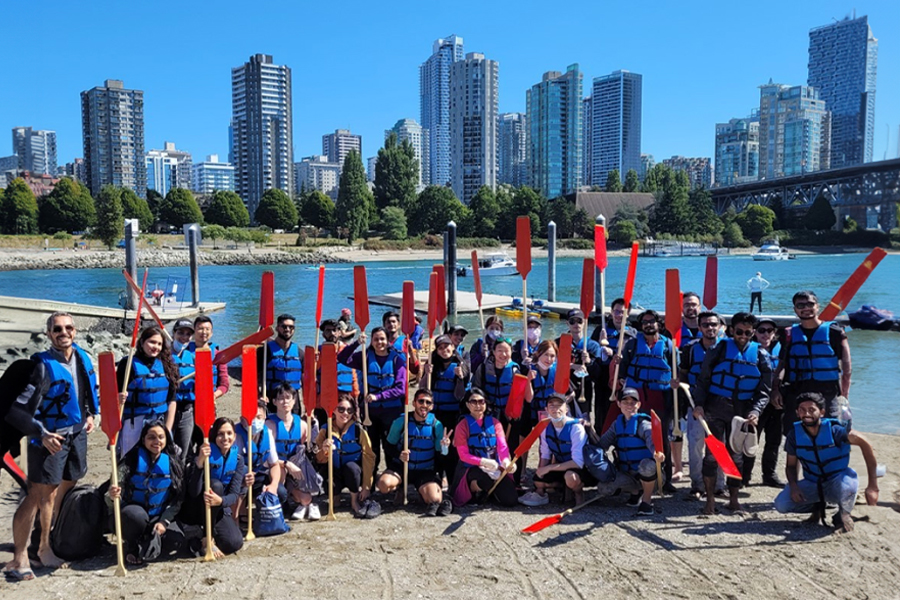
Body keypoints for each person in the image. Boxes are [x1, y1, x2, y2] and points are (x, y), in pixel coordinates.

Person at [4, 312, 98, 577]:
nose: (63, 332)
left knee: (62, 487)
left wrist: (91, 415)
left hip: (76, 434)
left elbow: (84, 391)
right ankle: (30, 553)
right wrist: (42, 433)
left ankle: (47, 536)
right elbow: (17, 411)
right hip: (47, 438)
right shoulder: (41, 367)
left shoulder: (80, 357)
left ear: (75, 331)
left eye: (68, 328)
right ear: (48, 334)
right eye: (57, 329)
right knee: (37, 495)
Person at [693, 312, 773, 515]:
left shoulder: (761, 355)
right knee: (713, 455)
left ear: (753, 333)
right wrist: (699, 404)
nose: (743, 335)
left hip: (742, 412)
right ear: (731, 330)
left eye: (748, 332)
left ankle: (733, 499)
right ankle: (710, 500)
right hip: (715, 408)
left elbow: (764, 391)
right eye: (739, 331)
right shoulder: (718, 349)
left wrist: (756, 411)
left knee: (736, 456)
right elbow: (703, 380)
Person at [774, 392, 878, 533]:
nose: (807, 414)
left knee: (848, 485)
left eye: (812, 409)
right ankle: (818, 508)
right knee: (782, 504)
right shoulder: (794, 435)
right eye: (802, 410)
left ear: (822, 412)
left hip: (838, 481)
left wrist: (872, 486)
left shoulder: (835, 431)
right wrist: (794, 486)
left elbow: (865, 444)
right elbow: (791, 466)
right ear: (797, 413)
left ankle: (843, 514)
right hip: (813, 482)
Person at [771, 291, 852, 436]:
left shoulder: (834, 332)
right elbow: (782, 365)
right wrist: (775, 389)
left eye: (810, 304)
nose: (806, 308)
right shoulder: (788, 335)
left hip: (827, 392)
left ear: (818, 306)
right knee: (795, 435)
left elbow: (847, 367)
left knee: (829, 433)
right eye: (800, 305)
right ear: (795, 309)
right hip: (796, 391)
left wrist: (845, 395)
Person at [613, 309, 676, 492]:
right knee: (634, 432)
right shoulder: (632, 344)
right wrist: (621, 376)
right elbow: (623, 370)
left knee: (661, 436)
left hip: (659, 395)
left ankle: (665, 478)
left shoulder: (668, 346)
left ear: (658, 324)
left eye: (652, 321)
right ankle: (631, 472)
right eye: (645, 322)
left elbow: (675, 370)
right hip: (637, 395)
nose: (649, 324)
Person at [106, 420, 186, 565]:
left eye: (161, 437)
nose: (157, 441)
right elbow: (113, 489)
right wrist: (112, 495)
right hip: (133, 516)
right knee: (134, 516)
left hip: (158, 516)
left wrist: (164, 521)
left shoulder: (174, 463)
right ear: (143, 440)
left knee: (176, 542)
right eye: (151, 437)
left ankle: (149, 540)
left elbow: (178, 499)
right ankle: (132, 546)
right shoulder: (130, 460)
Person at [338, 328, 406, 471]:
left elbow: (401, 389)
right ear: (371, 341)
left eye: (382, 339)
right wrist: (356, 342)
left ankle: (393, 477)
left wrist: (378, 396)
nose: (379, 342)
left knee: (391, 445)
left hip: (391, 411)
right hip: (370, 412)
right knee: (371, 446)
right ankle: (370, 481)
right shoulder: (365, 356)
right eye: (376, 339)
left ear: (388, 341)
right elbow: (342, 358)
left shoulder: (397, 358)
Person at [376, 389, 453, 516]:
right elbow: (388, 446)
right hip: (402, 467)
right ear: (414, 403)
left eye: (428, 402)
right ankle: (400, 488)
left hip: (425, 469)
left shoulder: (437, 426)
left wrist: (445, 448)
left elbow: (441, 456)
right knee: (384, 485)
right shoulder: (401, 422)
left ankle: (423, 491)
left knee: (435, 499)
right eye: (421, 401)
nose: (424, 405)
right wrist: (399, 455)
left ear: (432, 406)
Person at [471, 336, 533, 485]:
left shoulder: (515, 369)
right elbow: (476, 389)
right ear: (493, 351)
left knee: (511, 447)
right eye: (500, 350)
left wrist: (514, 414)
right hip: (489, 413)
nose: (503, 354)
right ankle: (489, 479)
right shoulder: (484, 368)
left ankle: (513, 481)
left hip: (510, 414)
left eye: (507, 351)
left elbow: (521, 395)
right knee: (490, 446)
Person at [594, 388, 665, 516]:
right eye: (625, 402)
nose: (629, 406)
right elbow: (601, 445)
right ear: (619, 404)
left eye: (633, 403)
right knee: (603, 488)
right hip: (629, 474)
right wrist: (588, 430)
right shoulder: (617, 424)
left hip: (652, 475)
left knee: (647, 466)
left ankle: (646, 501)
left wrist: (656, 452)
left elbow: (651, 441)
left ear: (638, 405)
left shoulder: (643, 424)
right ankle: (635, 492)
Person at [677, 311, 725, 499]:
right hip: (695, 403)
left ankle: (720, 485)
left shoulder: (726, 348)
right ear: (700, 328)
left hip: (720, 404)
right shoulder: (690, 349)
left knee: (719, 445)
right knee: (695, 445)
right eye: (705, 325)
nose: (710, 328)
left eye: (713, 324)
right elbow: (684, 372)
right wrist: (679, 382)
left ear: (719, 327)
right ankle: (697, 484)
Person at [184, 417, 246, 557]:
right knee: (216, 485)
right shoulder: (203, 455)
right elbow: (193, 491)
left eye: (229, 433)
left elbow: (234, 495)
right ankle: (207, 539)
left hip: (217, 507)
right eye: (220, 434)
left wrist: (221, 501)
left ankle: (198, 539)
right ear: (214, 436)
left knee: (234, 543)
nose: (225, 438)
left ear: (234, 436)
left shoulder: (238, 460)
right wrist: (199, 463)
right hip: (196, 506)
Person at [519, 393, 596, 507]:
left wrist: (548, 468)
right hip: (562, 466)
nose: (556, 409)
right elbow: (545, 454)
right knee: (538, 481)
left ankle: (578, 493)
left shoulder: (576, 428)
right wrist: (540, 472)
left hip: (581, 468)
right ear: (546, 409)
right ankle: (558, 489)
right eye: (552, 406)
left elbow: (578, 462)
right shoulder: (546, 428)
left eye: (560, 405)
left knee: (571, 477)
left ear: (566, 409)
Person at [451, 389, 517, 508]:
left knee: (510, 500)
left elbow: (502, 447)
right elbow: (463, 455)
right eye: (474, 402)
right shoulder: (462, 425)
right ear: (467, 404)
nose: (478, 405)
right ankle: (474, 489)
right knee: (485, 480)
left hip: (495, 467)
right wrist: (483, 462)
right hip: (472, 467)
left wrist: (506, 461)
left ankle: (489, 491)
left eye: (481, 402)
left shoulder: (495, 423)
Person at [117, 327, 178, 457]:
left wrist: (167, 429)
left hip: (158, 421)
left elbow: (172, 400)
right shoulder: (127, 365)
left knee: (158, 459)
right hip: (134, 421)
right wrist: (118, 399)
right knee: (131, 460)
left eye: (159, 344)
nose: (155, 347)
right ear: (142, 342)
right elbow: (113, 396)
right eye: (152, 342)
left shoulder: (168, 365)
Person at [315, 395, 376, 516]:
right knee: (328, 482)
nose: (345, 413)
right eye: (341, 409)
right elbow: (318, 459)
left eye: (349, 410)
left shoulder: (359, 430)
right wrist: (324, 450)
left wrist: (366, 486)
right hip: (334, 470)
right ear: (334, 410)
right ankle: (335, 496)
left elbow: (369, 457)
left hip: (353, 471)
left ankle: (354, 500)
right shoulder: (325, 430)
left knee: (351, 468)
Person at [421, 335, 469, 484]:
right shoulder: (432, 365)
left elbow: (460, 395)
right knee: (436, 446)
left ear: (453, 347)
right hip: (435, 414)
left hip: (452, 413)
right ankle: (437, 477)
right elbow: (423, 389)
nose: (444, 350)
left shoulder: (460, 366)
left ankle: (452, 478)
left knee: (450, 448)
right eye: (440, 348)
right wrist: (426, 373)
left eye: (447, 346)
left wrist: (460, 378)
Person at [743, 317, 784, 487]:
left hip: (777, 402)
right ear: (755, 333)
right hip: (756, 402)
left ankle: (769, 475)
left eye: (770, 330)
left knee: (774, 440)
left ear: (774, 334)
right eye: (761, 330)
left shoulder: (783, 351)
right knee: (751, 440)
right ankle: (744, 476)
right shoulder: (750, 350)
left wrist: (778, 392)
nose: (765, 334)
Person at [265, 383, 314, 518]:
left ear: (294, 400)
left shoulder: (303, 425)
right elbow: (267, 457)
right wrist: (286, 464)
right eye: (281, 398)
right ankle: (280, 500)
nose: (285, 401)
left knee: (306, 499)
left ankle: (293, 493)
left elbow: (307, 450)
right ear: (274, 402)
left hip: (295, 466)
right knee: (280, 472)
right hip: (276, 465)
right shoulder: (269, 425)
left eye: (288, 398)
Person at [234, 398, 285, 519]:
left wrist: (273, 485)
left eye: (259, 417)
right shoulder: (235, 435)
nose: (255, 421)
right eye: (251, 417)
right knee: (244, 469)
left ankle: (259, 509)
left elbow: (274, 464)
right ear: (242, 419)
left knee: (281, 493)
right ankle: (238, 511)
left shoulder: (267, 434)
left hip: (258, 476)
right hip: (238, 479)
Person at [591, 297, 636, 428]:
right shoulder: (601, 330)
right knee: (601, 414)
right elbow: (592, 354)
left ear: (628, 314)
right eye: (616, 311)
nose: (619, 315)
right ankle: (600, 440)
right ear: (611, 312)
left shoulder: (633, 333)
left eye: (622, 312)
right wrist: (600, 345)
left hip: (622, 380)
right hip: (604, 379)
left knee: (622, 414)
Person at [556, 309, 603, 418]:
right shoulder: (558, 343)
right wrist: (572, 366)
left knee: (583, 421)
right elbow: (553, 367)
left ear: (585, 323)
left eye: (579, 321)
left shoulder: (593, 346)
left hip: (584, 390)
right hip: (564, 389)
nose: (576, 324)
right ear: (567, 323)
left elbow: (598, 374)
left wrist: (589, 362)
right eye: (572, 321)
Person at [260, 314, 303, 409]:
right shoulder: (265, 351)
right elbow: (252, 375)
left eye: (291, 327)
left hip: (293, 403)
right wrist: (259, 395)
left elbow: (307, 379)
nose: (287, 329)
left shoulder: (300, 353)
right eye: (284, 326)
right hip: (271, 400)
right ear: (277, 328)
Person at [170, 319, 197, 462]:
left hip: (187, 411)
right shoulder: (164, 355)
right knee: (167, 448)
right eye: (180, 333)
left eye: (188, 334)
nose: (184, 337)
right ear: (173, 333)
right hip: (168, 409)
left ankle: (180, 482)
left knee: (183, 453)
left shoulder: (192, 357)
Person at [190, 316, 229, 403]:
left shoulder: (218, 355)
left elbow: (224, 384)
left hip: (208, 401)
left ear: (211, 333)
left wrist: (214, 395)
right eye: (200, 328)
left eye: (207, 329)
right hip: (187, 402)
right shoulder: (184, 352)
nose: (204, 332)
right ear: (194, 331)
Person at [321, 318, 358, 398]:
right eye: (328, 330)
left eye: (334, 330)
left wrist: (355, 395)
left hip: (344, 397)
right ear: (323, 334)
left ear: (340, 333)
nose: (332, 333)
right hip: (325, 398)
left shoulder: (347, 351)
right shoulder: (317, 353)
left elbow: (353, 376)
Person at [382, 310, 420, 383]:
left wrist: (411, 349)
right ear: (384, 325)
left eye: (393, 322)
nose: (391, 324)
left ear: (398, 324)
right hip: (384, 382)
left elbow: (415, 369)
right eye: (388, 322)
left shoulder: (406, 341)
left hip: (400, 382)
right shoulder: (379, 342)